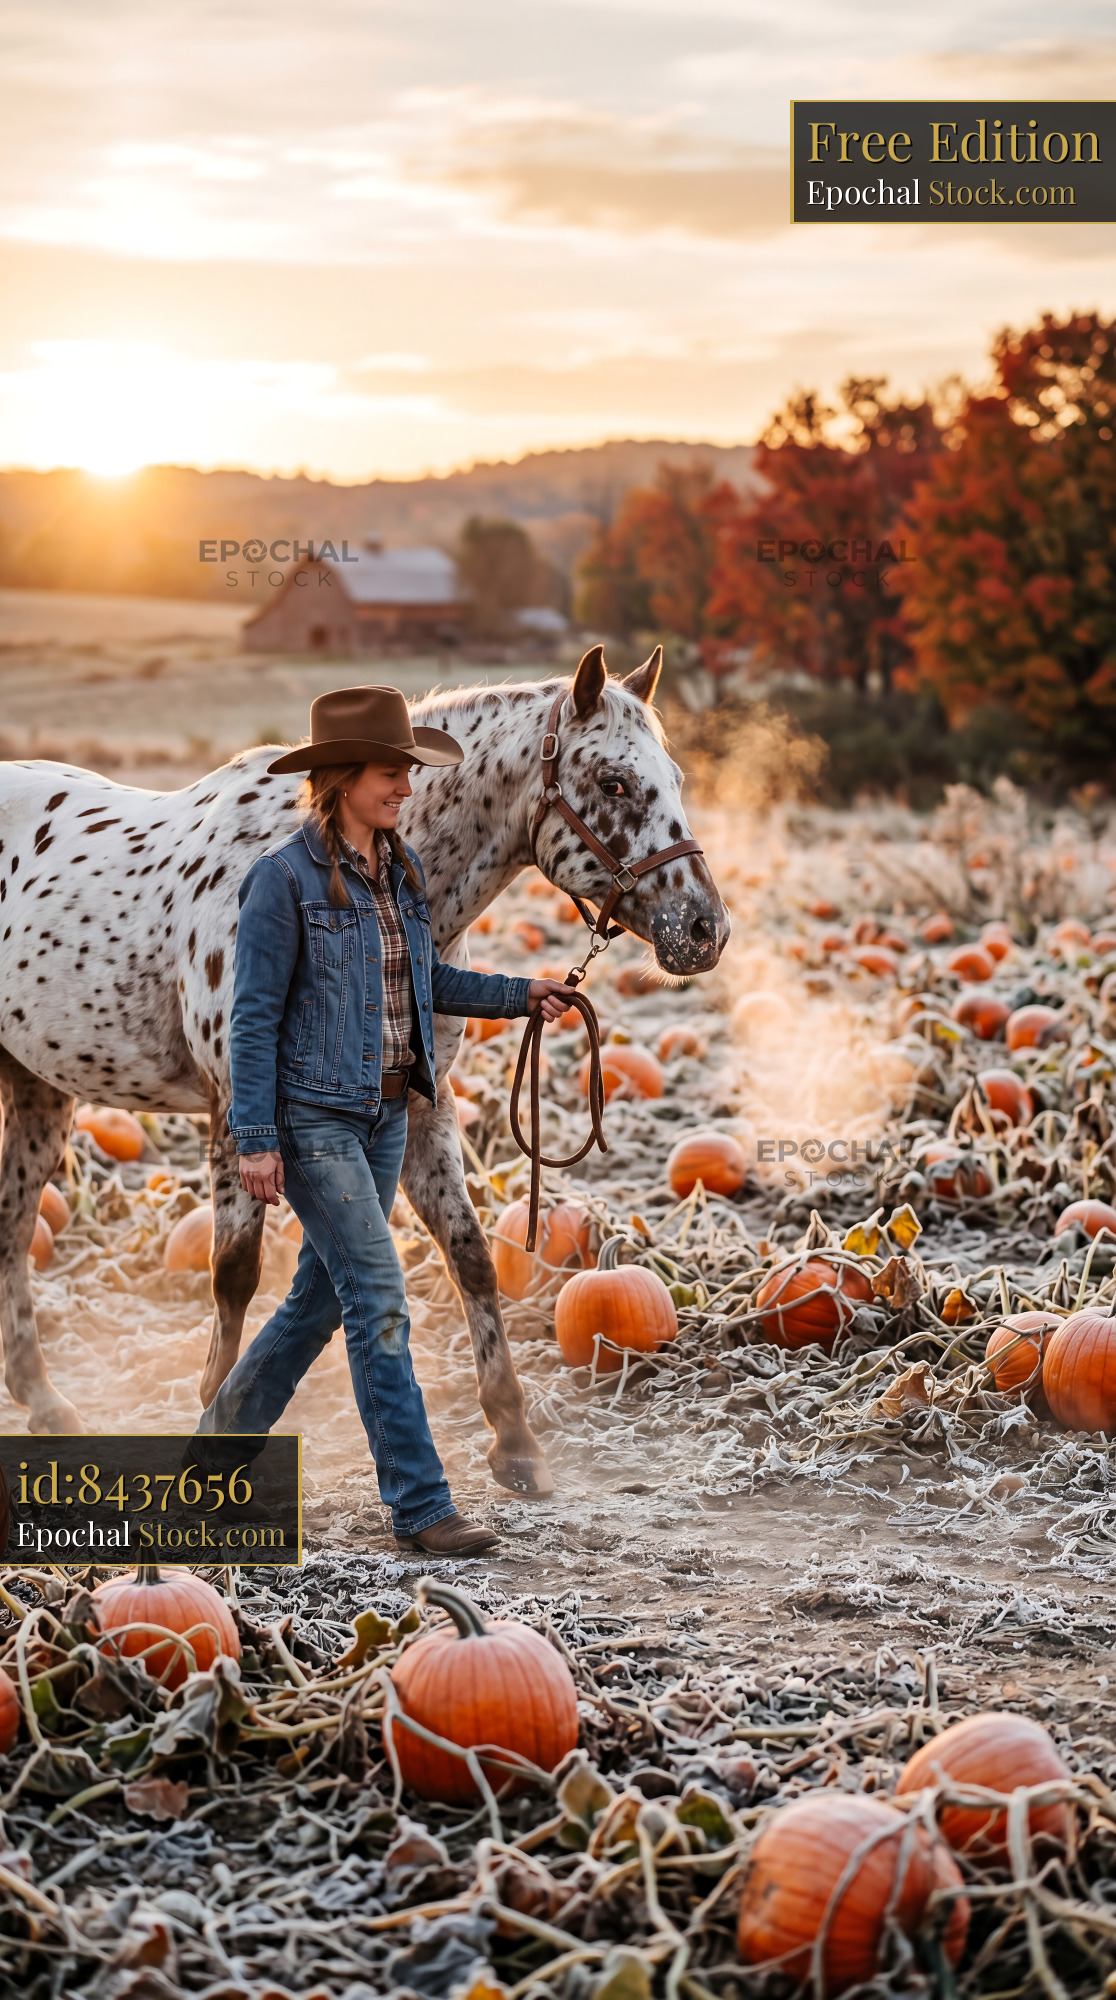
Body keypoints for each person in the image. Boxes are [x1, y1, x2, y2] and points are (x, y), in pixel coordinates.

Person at [198, 685, 575, 1555]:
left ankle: (206, 1463)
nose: (407, 785)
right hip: (315, 1122)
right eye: (389, 771)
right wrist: (255, 1137)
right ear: (339, 779)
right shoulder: (281, 882)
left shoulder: (398, 872)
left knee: (314, 1306)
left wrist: (523, 994)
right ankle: (420, 1506)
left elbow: (428, 982)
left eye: (409, 770)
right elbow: (251, 1018)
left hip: (384, 1116)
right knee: (380, 1299)